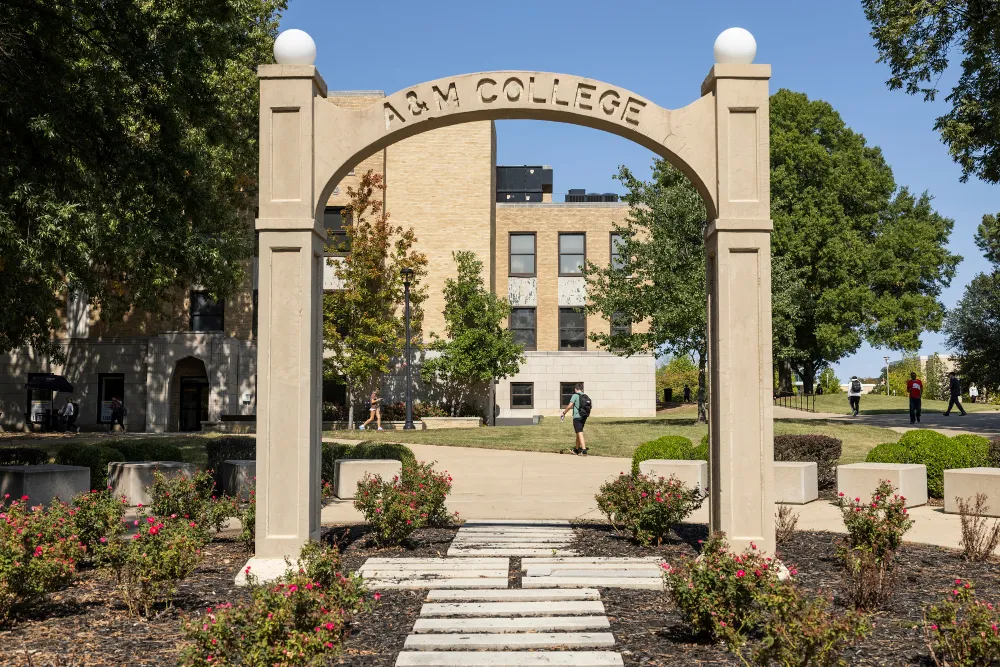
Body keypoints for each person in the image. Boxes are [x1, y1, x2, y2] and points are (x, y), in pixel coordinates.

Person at [560, 383, 591, 456]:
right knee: (578, 432)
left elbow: (570, 405)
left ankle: (583, 450)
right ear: (582, 389)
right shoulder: (585, 396)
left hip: (577, 417)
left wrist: (564, 413)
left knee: (579, 432)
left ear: (575, 389)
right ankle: (576, 450)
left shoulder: (575, 395)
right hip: (584, 416)